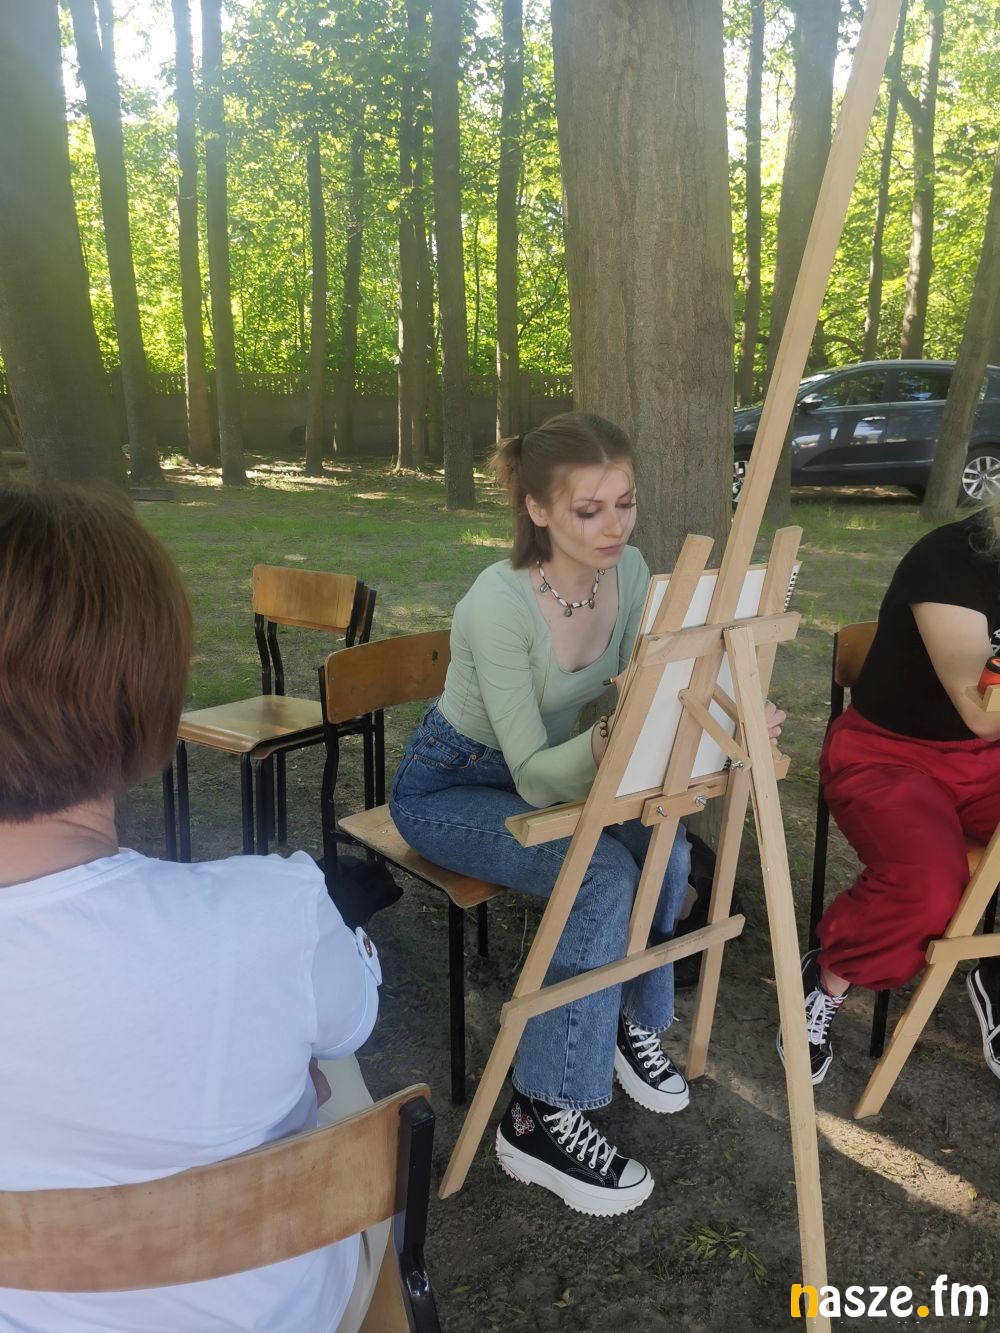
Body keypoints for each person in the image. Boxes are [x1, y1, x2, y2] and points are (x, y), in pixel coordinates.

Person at [0, 484, 383, 1332]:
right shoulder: (275, 912)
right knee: (340, 1062)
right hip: (283, 1310)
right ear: (148, 692)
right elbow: (352, 1022)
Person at [389, 412, 783, 1218]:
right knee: (602, 876)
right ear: (536, 508)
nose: (614, 527)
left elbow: (659, 690)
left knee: (668, 845)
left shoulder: (630, 572)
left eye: (624, 503)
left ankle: (633, 1023)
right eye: (588, 509)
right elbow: (535, 776)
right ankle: (539, 1113)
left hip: (568, 765)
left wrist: (735, 713)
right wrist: (609, 737)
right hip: (452, 783)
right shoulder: (496, 605)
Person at [778, 505, 1000, 1087]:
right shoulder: (951, 560)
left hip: (990, 764)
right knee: (927, 885)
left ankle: (993, 974)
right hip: (888, 756)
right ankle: (828, 974)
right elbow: (982, 714)